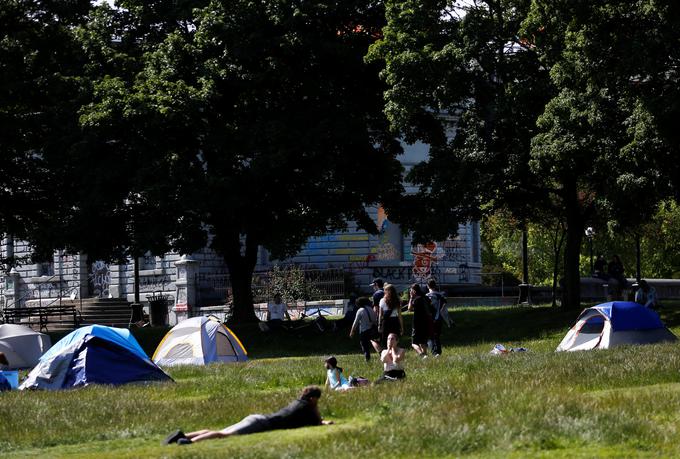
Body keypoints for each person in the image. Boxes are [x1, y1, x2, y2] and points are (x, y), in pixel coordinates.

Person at [163, 386, 333, 445]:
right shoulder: (307, 408)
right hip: (260, 423)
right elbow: (318, 421)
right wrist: (324, 421)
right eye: (317, 400)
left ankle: (183, 435)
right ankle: (188, 442)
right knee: (223, 435)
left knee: (219, 430)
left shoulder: (298, 403)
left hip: (256, 418)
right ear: (312, 399)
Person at [349, 297, 381, 361]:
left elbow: (355, 322)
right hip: (372, 330)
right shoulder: (371, 309)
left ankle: (367, 358)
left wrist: (352, 332)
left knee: (364, 345)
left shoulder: (360, 310)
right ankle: (381, 354)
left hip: (364, 330)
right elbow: (375, 320)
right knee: (374, 342)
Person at [426, 279, 450, 356]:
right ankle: (438, 352)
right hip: (438, 318)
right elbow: (445, 303)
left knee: (430, 337)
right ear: (435, 286)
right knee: (437, 336)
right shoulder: (440, 295)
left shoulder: (426, 296)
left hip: (429, 319)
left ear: (427, 286)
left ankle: (433, 352)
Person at [408, 283, 432, 358]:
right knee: (422, 341)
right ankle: (425, 356)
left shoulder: (416, 299)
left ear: (414, 291)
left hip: (417, 323)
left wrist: (411, 298)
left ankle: (422, 355)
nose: (410, 291)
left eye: (411, 290)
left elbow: (409, 309)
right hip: (426, 322)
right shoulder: (425, 298)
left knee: (414, 343)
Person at [378, 283, 404, 348]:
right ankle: (394, 353)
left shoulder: (382, 300)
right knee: (395, 338)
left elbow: (380, 314)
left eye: (385, 290)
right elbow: (400, 315)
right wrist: (402, 327)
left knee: (385, 338)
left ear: (388, 291)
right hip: (395, 321)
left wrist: (379, 325)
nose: (384, 291)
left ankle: (387, 354)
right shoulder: (398, 300)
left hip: (386, 321)